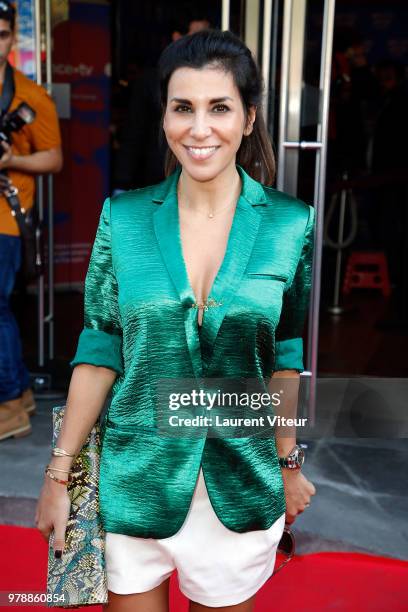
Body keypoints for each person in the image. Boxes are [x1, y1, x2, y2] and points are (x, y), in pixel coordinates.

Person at [35, 30, 316, 611]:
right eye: (182, 108)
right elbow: (99, 348)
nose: (199, 128)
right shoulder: (125, 216)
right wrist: (58, 475)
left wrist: (287, 462)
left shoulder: (292, 224)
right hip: (135, 477)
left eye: (219, 108)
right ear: (164, 116)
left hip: (240, 481)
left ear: (248, 117)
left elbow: (285, 359)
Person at [0, 0, 62, 442]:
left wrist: (11, 158)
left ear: (12, 38)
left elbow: (55, 158)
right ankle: (19, 393)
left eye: (2, 34)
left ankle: (7, 405)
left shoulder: (29, 95)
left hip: (5, 218)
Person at [112, 11, 210, 191]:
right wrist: (122, 184)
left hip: (203, 183)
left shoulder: (216, 81)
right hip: (158, 182)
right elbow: (134, 135)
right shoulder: (151, 81)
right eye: (197, 36)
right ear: (177, 37)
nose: (202, 44)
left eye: (206, 36)